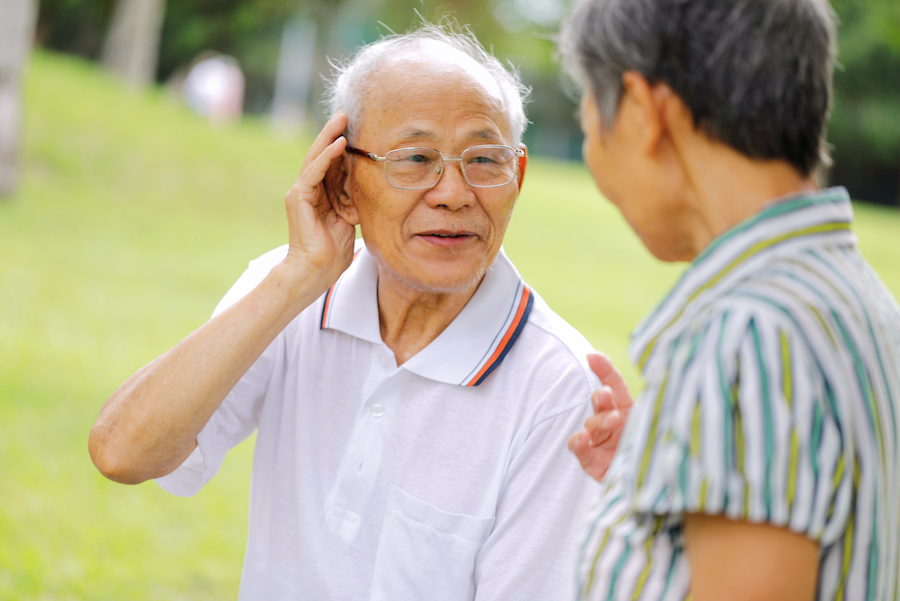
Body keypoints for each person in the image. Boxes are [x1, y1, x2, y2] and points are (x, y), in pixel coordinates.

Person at [89, 24, 624, 600]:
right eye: (415, 158)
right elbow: (123, 453)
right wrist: (295, 280)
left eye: (484, 160)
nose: (452, 193)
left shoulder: (561, 390)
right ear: (342, 183)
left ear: (515, 178)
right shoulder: (291, 291)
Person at [560, 0, 900, 600]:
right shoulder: (856, 296)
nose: (592, 154)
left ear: (642, 111)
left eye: (589, 115)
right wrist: (665, 476)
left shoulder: (746, 335)